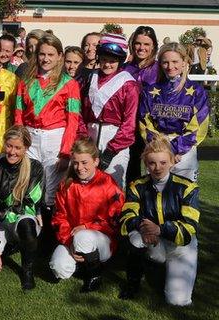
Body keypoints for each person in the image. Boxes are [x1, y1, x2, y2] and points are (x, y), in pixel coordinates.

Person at [119, 134, 200, 306]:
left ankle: (169, 271)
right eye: (152, 163)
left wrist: (160, 229)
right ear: (145, 164)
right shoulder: (137, 185)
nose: (157, 168)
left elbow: (189, 228)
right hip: (152, 239)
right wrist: (144, 227)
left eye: (163, 162)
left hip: (180, 245)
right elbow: (126, 217)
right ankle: (134, 282)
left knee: (178, 301)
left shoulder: (188, 188)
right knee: (134, 238)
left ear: (172, 162)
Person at [14, 34, 80, 217]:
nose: (46, 59)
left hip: (55, 139)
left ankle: (50, 239)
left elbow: (73, 120)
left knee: (51, 192)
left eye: (51, 55)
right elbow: (18, 114)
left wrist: (66, 152)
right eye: (42, 54)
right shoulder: (25, 80)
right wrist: (20, 142)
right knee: (28, 187)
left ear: (60, 56)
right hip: (29, 138)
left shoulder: (70, 84)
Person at [50, 138, 124, 292]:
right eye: (75, 162)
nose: (79, 167)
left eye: (84, 162)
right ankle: (82, 264)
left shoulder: (108, 183)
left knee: (83, 237)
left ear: (96, 161)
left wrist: (86, 227)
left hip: (102, 241)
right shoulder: (66, 184)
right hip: (73, 237)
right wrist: (69, 242)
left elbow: (114, 220)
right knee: (59, 268)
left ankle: (95, 274)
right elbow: (59, 217)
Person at [0, 126, 44, 290]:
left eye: (18, 148)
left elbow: (28, 203)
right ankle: (10, 246)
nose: (12, 151)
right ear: (4, 144)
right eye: (9, 146)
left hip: (21, 220)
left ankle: (27, 270)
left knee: (27, 227)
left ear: (26, 148)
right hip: (1, 222)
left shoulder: (35, 168)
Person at [139, 42, 209, 181]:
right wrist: (163, 149)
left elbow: (199, 126)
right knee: (156, 198)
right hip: (156, 150)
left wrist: (176, 149)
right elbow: (144, 123)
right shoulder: (149, 91)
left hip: (184, 153)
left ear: (184, 62)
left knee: (185, 197)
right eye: (165, 62)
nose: (170, 67)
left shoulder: (197, 92)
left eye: (175, 61)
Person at [77, 34, 139, 188]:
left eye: (113, 61)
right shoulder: (88, 78)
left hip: (115, 139)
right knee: (87, 185)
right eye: (104, 59)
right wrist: (83, 138)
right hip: (89, 137)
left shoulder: (128, 84)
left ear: (120, 61)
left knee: (113, 185)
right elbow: (78, 111)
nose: (107, 64)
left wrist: (112, 150)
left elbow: (129, 123)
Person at [124, 26, 160, 184]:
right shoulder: (124, 69)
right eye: (138, 43)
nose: (141, 48)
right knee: (131, 168)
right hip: (129, 125)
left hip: (152, 126)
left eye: (146, 44)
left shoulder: (160, 69)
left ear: (153, 46)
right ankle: (133, 204)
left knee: (154, 167)